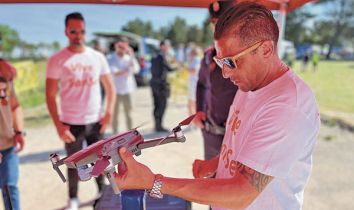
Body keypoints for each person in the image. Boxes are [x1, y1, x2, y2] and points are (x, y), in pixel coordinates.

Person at [114, 2, 321, 210]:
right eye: (221, 62)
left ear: (266, 49)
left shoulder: (286, 107)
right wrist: (217, 163)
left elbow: (241, 195)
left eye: (231, 62)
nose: (225, 73)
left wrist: (153, 182)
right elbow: (241, 143)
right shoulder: (250, 84)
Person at [45, 12, 116, 210]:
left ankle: (102, 194)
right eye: (73, 31)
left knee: (101, 162)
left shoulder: (97, 57)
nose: (78, 35)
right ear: (66, 32)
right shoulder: (57, 59)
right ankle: (74, 199)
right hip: (71, 123)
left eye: (82, 31)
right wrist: (59, 126)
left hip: (96, 120)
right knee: (73, 164)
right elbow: (50, 95)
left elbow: (110, 88)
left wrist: (108, 113)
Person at [194, 0, 238, 161]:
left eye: (222, 21)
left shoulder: (246, 57)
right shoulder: (208, 56)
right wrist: (199, 110)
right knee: (209, 180)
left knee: (230, 184)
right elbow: (201, 84)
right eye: (214, 22)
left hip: (236, 136)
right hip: (210, 133)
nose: (216, 26)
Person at [0, 35, 26, 210]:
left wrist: (19, 131)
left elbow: (14, 105)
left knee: (10, 187)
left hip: (8, 143)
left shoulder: (6, 73)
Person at [107, 37, 139, 134]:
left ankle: (131, 134)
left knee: (129, 114)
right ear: (116, 46)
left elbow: (136, 70)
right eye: (119, 46)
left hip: (128, 90)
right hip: (115, 91)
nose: (121, 49)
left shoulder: (129, 58)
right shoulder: (110, 58)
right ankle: (114, 134)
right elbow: (113, 72)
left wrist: (132, 56)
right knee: (114, 114)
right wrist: (126, 70)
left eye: (124, 46)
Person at [150, 40, 176, 132]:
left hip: (154, 83)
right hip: (161, 84)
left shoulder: (154, 55)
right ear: (162, 46)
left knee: (156, 105)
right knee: (162, 105)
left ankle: (157, 125)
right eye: (167, 46)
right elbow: (168, 68)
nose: (168, 48)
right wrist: (177, 67)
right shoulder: (161, 56)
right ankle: (159, 126)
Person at [187, 47, 201, 117]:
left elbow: (194, 70)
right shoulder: (195, 59)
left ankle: (194, 121)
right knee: (191, 103)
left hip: (194, 83)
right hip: (193, 83)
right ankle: (193, 122)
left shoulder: (196, 59)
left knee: (192, 104)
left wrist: (185, 68)